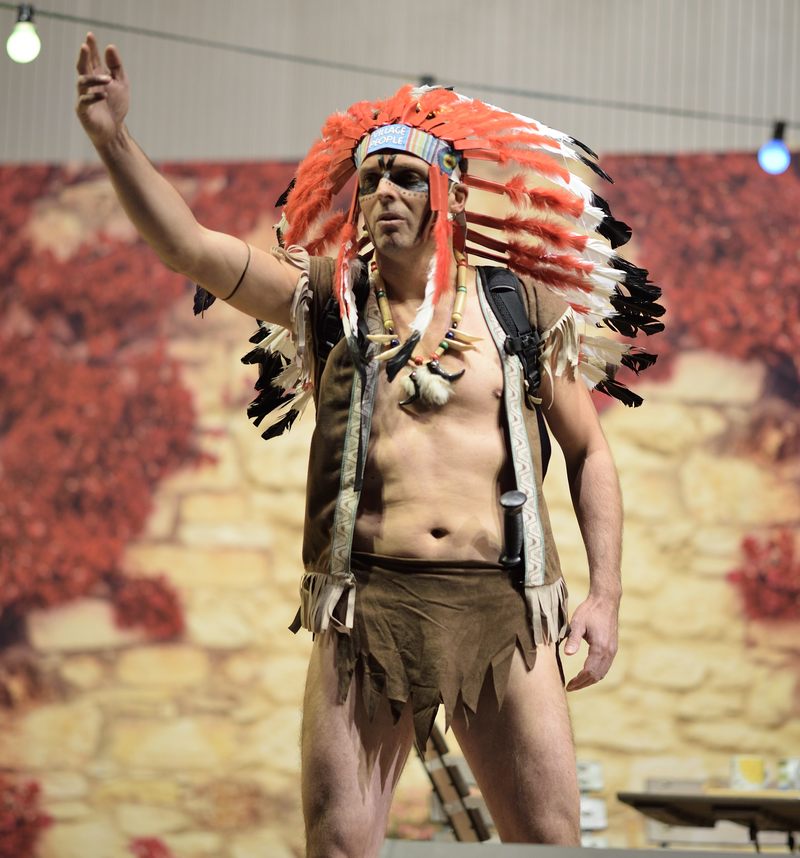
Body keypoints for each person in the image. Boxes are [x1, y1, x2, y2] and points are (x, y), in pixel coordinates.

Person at [76, 31, 663, 858]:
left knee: (547, 840)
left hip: (503, 606)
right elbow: (191, 247)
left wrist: (605, 594)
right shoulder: (329, 299)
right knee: (340, 845)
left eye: (406, 176)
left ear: (447, 194)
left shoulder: (515, 307)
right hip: (366, 609)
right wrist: (114, 141)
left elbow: (588, 451)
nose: (385, 189)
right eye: (373, 176)